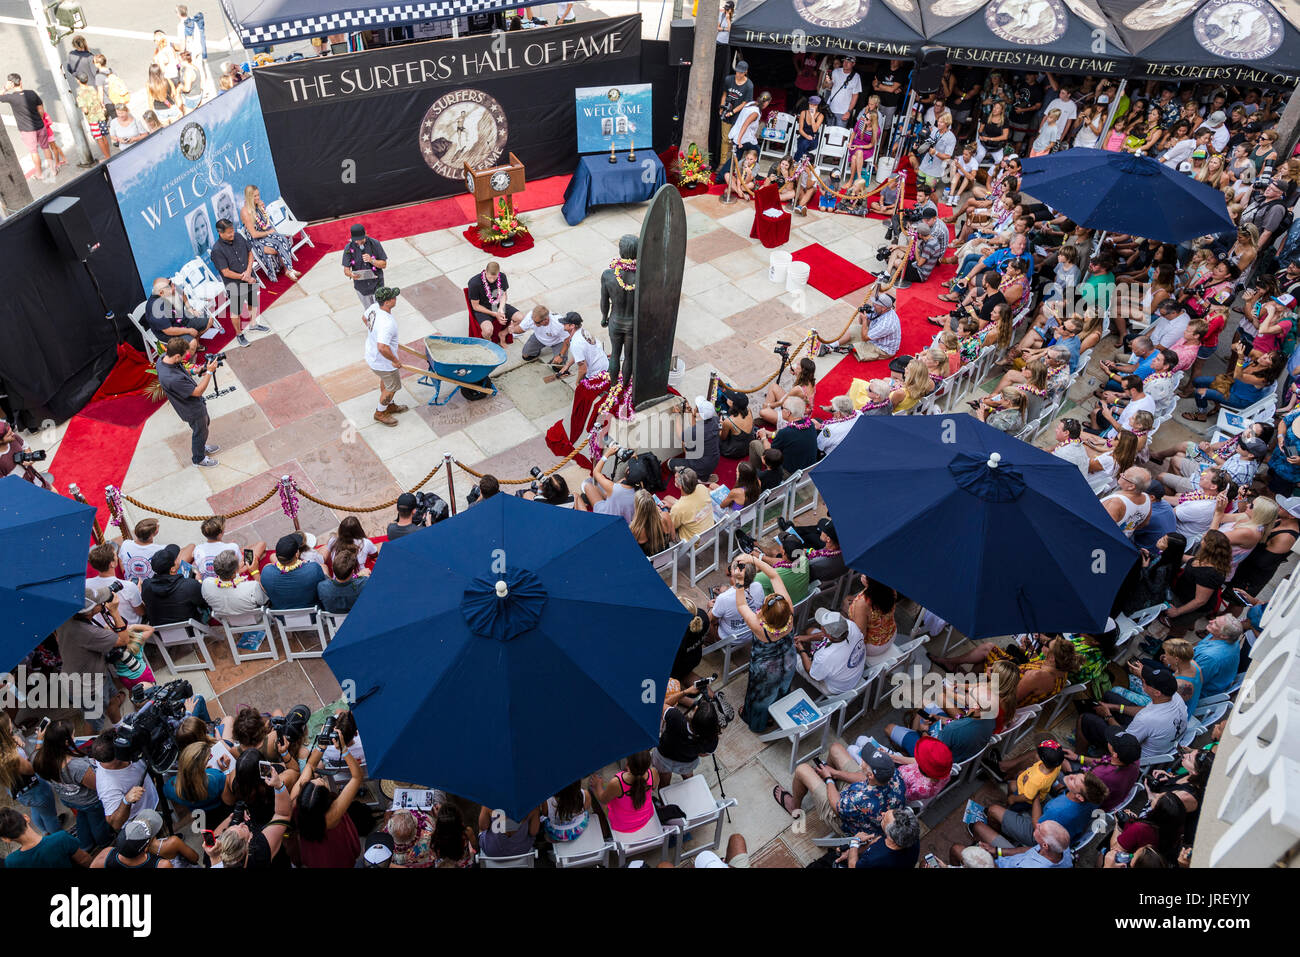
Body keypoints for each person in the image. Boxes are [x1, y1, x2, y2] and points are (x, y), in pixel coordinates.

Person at [777, 744, 905, 839]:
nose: (862, 758)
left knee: (802, 769)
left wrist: (828, 779)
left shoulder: (861, 800)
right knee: (835, 748)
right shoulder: (893, 774)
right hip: (859, 797)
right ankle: (828, 780)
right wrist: (836, 774)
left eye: (865, 760)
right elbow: (863, 778)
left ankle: (795, 807)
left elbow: (836, 806)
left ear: (871, 775)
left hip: (845, 819)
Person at [733, 553, 795, 732]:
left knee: (760, 698)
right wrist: (754, 560)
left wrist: (739, 580)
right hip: (789, 660)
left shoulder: (760, 628)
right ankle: (773, 717)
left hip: (766, 669)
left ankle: (758, 724)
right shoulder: (789, 612)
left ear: (765, 615)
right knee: (782, 688)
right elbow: (774, 575)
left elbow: (742, 606)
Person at [154, 338, 222, 468]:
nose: (187, 357)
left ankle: (200, 447)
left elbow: (180, 368)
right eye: (184, 355)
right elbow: (197, 392)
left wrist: (194, 371)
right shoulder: (171, 378)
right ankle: (199, 458)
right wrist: (209, 372)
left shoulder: (163, 358)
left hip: (194, 405)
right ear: (177, 356)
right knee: (200, 431)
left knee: (204, 425)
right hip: (192, 409)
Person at [88, 729, 160, 830]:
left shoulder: (123, 747)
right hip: (144, 819)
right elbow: (115, 824)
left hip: (155, 799)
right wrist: (126, 801)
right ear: (118, 755)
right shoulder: (107, 786)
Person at [211, 219, 267, 347]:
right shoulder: (217, 250)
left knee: (253, 302)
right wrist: (246, 278)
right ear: (220, 233)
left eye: (233, 231)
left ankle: (253, 324)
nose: (232, 234)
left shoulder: (239, 236)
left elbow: (250, 253)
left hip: (248, 275)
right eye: (229, 233)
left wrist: (248, 271)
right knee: (236, 311)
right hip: (234, 285)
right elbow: (225, 272)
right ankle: (239, 334)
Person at [653, 683, 720, 788]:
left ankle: (663, 803)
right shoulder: (712, 738)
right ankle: (689, 790)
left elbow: (660, 706)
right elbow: (704, 753)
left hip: (663, 757)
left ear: (694, 715)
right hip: (687, 762)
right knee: (689, 780)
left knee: (664, 783)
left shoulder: (675, 718)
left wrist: (685, 692)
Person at [363, 286, 409, 427]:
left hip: (372, 355)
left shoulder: (374, 307)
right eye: (393, 297)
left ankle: (389, 405)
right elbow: (382, 347)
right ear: (387, 302)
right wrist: (395, 360)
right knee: (392, 386)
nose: (395, 299)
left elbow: (364, 318)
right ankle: (380, 413)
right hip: (382, 362)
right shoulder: (387, 323)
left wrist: (374, 333)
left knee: (386, 381)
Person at [1, 74, 57, 181]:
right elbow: (41, 109)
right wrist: (39, 119)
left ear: (11, 85)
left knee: (34, 152)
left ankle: (39, 174)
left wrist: (5, 88)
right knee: (46, 148)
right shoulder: (31, 93)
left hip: (27, 130)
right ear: (21, 82)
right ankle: (53, 170)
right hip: (40, 126)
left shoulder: (11, 97)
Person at [240, 184, 299, 282]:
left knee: (283, 239)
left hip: (265, 233)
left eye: (258, 195)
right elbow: (254, 234)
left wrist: (262, 209)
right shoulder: (245, 212)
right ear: (249, 197)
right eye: (255, 196)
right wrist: (268, 233)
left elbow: (264, 222)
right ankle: (287, 269)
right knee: (278, 245)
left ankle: (287, 269)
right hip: (256, 241)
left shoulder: (257, 204)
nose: (258, 197)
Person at [589, 751, 657, 836]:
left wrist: (597, 786)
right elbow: (653, 787)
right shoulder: (653, 773)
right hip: (645, 818)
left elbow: (603, 800)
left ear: (628, 764)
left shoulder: (617, 782)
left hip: (622, 825)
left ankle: (604, 828)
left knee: (591, 790)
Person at [0, 807, 90, 867]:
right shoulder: (61, 838)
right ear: (26, 817)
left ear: (6, 839)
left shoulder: (11, 861)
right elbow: (84, 859)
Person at [142, 544, 208, 625]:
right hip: (191, 629)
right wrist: (199, 581)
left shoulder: (146, 585)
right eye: (177, 560)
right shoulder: (189, 585)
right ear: (172, 569)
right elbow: (204, 601)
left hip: (161, 633)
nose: (179, 561)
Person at [261, 534, 327, 610]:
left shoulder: (267, 572)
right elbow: (323, 586)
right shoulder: (313, 569)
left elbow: (265, 590)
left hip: (283, 617)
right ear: (297, 554)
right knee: (324, 568)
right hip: (314, 616)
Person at [837, 287, 900, 360]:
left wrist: (864, 320)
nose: (873, 305)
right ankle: (832, 345)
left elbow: (865, 338)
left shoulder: (887, 324)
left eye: (876, 304)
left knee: (855, 347)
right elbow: (861, 324)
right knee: (852, 330)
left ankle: (837, 348)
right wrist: (862, 314)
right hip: (874, 336)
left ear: (884, 308)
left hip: (884, 349)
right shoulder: (879, 309)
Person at [668, 397, 721, 481]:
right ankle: (703, 475)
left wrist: (677, 415)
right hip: (712, 462)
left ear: (699, 413)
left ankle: (698, 477)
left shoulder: (698, 430)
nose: (694, 408)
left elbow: (681, 435)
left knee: (670, 463)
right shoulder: (715, 420)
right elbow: (695, 429)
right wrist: (691, 414)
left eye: (696, 407)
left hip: (701, 467)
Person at [342, 223, 388, 316]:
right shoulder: (348, 248)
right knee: (370, 312)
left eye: (361, 240)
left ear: (366, 234)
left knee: (381, 311)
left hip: (377, 284)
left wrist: (372, 260)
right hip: (361, 286)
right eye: (356, 240)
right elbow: (346, 270)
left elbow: (384, 264)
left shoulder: (375, 244)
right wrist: (351, 274)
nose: (358, 242)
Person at [717, 60, 755, 170]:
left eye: (741, 72)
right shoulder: (729, 79)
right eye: (737, 72)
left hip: (738, 116)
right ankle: (722, 163)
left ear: (746, 72)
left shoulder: (749, 85)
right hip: (726, 112)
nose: (738, 74)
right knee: (724, 139)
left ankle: (731, 164)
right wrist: (722, 106)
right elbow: (724, 93)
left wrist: (733, 112)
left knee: (734, 141)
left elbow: (745, 103)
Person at [317, 548, 367, 614]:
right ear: (352, 572)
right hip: (357, 619)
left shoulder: (322, 587)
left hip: (333, 622)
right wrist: (362, 575)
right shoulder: (363, 584)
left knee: (323, 568)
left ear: (332, 568)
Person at [825, 55, 861, 128]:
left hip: (844, 111)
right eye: (844, 61)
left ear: (853, 64)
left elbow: (855, 96)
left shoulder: (856, 76)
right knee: (828, 132)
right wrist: (828, 81)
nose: (845, 63)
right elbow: (829, 86)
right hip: (831, 108)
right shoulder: (836, 71)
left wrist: (849, 111)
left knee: (840, 134)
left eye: (848, 62)